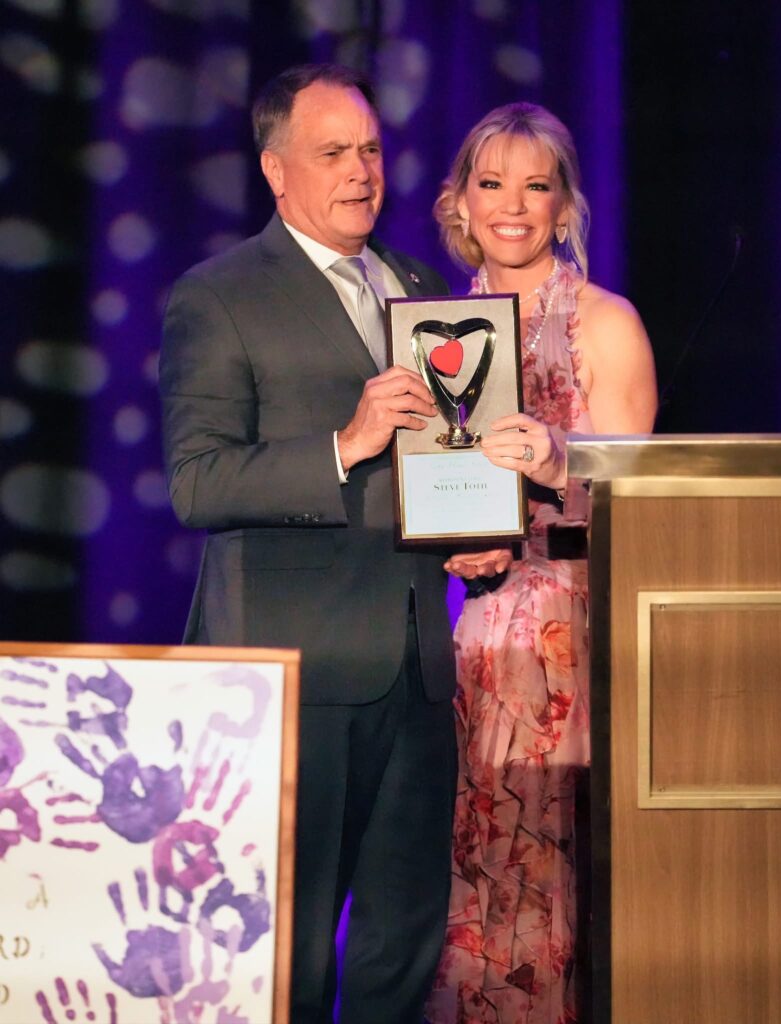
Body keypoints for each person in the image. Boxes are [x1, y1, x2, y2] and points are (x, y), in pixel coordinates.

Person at [159, 63, 504, 1024]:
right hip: (291, 678)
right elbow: (198, 483)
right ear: (276, 170)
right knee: (293, 947)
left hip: (414, 669)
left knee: (403, 936)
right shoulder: (218, 296)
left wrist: (473, 539)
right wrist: (343, 446)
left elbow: (445, 466)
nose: (360, 172)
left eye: (369, 151)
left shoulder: (423, 287)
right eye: (331, 154)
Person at [425, 104, 658, 1024]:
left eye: (536, 185)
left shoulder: (604, 324)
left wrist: (557, 464)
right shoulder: (433, 329)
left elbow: (644, 505)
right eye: (492, 183)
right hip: (473, 633)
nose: (512, 205)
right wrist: (448, 539)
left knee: (555, 867)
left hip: (571, 632)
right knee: (476, 858)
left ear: (564, 207)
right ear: (460, 205)